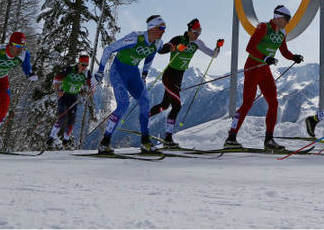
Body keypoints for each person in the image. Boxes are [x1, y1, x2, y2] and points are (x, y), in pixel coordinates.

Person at [224, 5, 304, 151]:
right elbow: (250, 47)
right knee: (247, 104)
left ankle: (269, 140)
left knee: (273, 103)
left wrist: (294, 57)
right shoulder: (263, 27)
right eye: (287, 19)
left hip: (264, 70)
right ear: (278, 17)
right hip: (252, 68)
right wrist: (265, 57)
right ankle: (231, 137)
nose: (288, 22)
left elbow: (284, 51)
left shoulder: (281, 34)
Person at [94, 15, 167, 153]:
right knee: (123, 105)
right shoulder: (135, 38)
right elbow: (109, 49)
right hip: (118, 71)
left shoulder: (158, 43)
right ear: (151, 28)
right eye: (161, 27)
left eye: (164, 28)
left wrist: (144, 74)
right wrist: (100, 70)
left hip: (133, 73)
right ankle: (105, 142)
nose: (163, 30)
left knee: (145, 101)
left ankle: (145, 141)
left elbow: (150, 56)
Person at [149, 18, 222, 147]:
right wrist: (174, 48)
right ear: (189, 31)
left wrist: (218, 47)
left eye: (199, 33)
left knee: (164, 106)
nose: (197, 35)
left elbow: (213, 55)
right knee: (177, 106)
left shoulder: (197, 43)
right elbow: (161, 51)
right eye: (195, 32)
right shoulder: (178, 39)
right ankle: (168, 138)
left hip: (179, 79)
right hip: (169, 76)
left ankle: (144, 117)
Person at [46, 54, 93, 149]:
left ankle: (66, 140)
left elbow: (90, 85)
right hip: (64, 95)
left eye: (86, 65)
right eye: (83, 64)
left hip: (74, 97)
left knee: (71, 120)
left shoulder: (87, 73)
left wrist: (90, 91)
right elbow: (56, 79)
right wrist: (58, 91)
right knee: (62, 117)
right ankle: (51, 138)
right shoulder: (69, 70)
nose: (84, 67)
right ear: (78, 63)